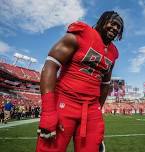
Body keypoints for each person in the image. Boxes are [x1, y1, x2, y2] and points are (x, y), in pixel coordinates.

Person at [36, 10, 124, 152]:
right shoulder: (82, 33)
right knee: (49, 149)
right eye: (112, 23)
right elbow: (50, 65)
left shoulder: (113, 53)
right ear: (102, 21)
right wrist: (48, 111)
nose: (115, 28)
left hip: (91, 107)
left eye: (118, 27)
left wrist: (97, 109)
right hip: (65, 100)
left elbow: (105, 84)